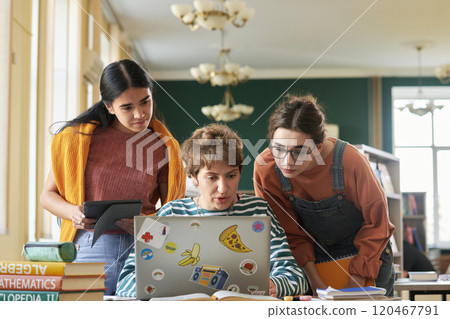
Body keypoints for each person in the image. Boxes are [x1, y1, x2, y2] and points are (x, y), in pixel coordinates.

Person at [40, 59, 186, 295]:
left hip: (145, 245)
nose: (140, 114)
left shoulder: (163, 146)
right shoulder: (77, 140)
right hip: (89, 244)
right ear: (109, 107)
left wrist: (147, 222)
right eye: (127, 107)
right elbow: (47, 196)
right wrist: (72, 213)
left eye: (145, 102)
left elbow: (174, 208)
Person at [116, 123, 309, 298]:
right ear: (193, 177)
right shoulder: (169, 213)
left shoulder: (258, 211)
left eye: (231, 176)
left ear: (240, 172)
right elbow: (125, 281)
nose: (223, 188)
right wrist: (160, 289)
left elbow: (295, 276)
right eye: (212, 177)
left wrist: (275, 284)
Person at [253, 95, 396, 296]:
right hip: (311, 261)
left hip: (368, 257)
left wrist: (357, 279)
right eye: (278, 149)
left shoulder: (350, 161)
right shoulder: (265, 168)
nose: (286, 161)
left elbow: (377, 224)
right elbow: (290, 233)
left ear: (318, 147)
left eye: (299, 151)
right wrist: (316, 284)